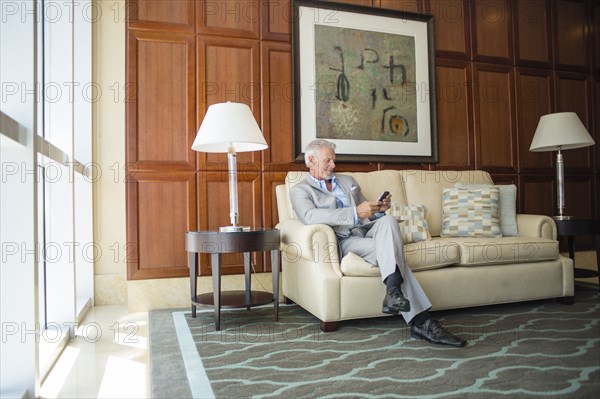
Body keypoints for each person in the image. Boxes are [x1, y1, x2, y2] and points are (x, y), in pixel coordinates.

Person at [289, 139, 466, 347]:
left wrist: (377, 209)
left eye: (334, 161)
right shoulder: (300, 190)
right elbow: (309, 216)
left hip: (368, 232)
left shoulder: (347, 180)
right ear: (311, 160)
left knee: (388, 220)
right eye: (328, 160)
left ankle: (392, 293)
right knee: (392, 254)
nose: (333, 166)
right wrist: (355, 212)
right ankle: (422, 322)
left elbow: (367, 214)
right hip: (346, 241)